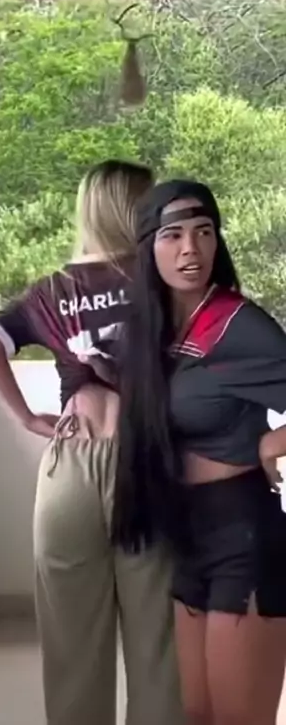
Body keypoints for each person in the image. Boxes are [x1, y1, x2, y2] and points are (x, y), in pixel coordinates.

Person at [0, 159, 184, 725]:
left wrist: (26, 419)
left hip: (70, 467)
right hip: (145, 462)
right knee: (158, 648)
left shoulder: (53, 291)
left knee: (72, 651)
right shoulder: (163, 282)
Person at [112, 178, 286, 725]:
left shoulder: (239, 324)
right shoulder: (150, 331)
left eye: (204, 232)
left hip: (245, 533)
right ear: (149, 246)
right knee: (197, 714)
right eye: (174, 235)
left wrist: (275, 439)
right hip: (185, 532)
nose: (191, 248)